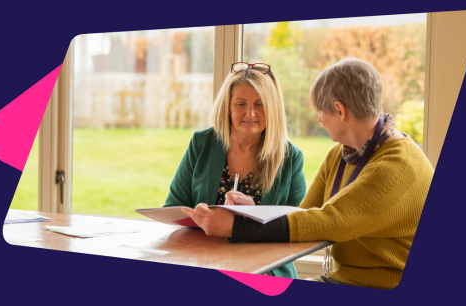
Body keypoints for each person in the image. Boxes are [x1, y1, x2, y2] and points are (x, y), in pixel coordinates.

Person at [182, 57, 434, 289]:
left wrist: (236, 226)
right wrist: (253, 213)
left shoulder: (396, 167)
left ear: (339, 110)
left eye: (321, 112)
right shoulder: (341, 154)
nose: (320, 120)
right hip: (342, 280)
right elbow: (301, 217)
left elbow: (328, 222)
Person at [163, 62, 307, 278]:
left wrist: (254, 218)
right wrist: (206, 220)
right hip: (204, 261)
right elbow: (174, 209)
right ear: (227, 107)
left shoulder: (290, 157)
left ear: (273, 108)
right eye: (241, 104)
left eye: (260, 104)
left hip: (266, 271)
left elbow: (300, 229)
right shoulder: (201, 143)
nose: (250, 113)